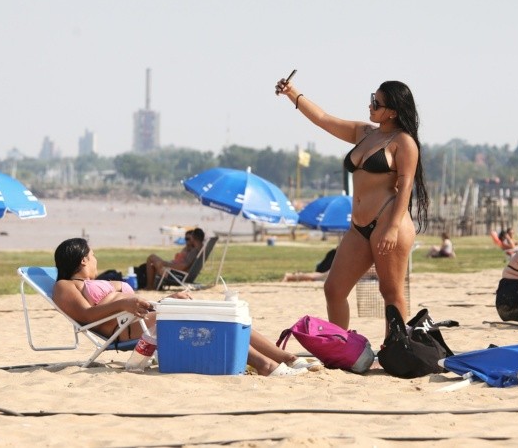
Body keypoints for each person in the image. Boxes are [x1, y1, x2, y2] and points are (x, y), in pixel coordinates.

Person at [275, 76, 428, 330]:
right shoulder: (364, 133)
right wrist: (292, 93)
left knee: (390, 292)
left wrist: (392, 227)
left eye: (376, 103)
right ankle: (341, 345)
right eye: (371, 99)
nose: (370, 106)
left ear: (392, 111)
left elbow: (406, 186)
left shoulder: (404, 143)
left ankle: (396, 347)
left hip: (389, 222)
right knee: (334, 289)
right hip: (359, 226)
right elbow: (323, 119)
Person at [53, 238, 319, 376]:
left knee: (226, 316)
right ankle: (265, 365)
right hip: (127, 330)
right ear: (83, 259)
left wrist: (166, 301)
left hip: (142, 320)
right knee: (214, 320)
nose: (96, 258)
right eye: (94, 254)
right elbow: (87, 315)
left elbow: (131, 303)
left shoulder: (91, 282)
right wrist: (124, 300)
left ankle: (287, 359)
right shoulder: (65, 285)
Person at [138, 228, 204, 290]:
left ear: (193, 237)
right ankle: (151, 286)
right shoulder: (199, 249)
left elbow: (183, 266)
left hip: (178, 275)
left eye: (189, 238)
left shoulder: (194, 251)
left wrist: (164, 263)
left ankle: (150, 286)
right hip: (181, 274)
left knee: (152, 257)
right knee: (153, 263)